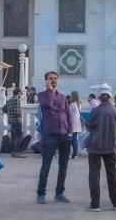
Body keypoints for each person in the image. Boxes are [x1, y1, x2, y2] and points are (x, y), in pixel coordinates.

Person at [35, 70, 72, 204]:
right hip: (49, 135)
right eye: (50, 78)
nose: (53, 80)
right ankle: (41, 193)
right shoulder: (42, 96)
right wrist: (50, 90)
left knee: (63, 166)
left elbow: (68, 115)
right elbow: (48, 105)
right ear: (46, 81)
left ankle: (59, 193)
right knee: (46, 165)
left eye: (55, 78)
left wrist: (70, 131)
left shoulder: (63, 97)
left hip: (64, 135)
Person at [84, 92, 116, 212]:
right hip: (110, 146)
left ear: (99, 99)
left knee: (94, 174)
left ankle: (95, 204)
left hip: (95, 146)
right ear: (110, 99)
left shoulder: (96, 110)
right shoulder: (114, 110)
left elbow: (89, 126)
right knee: (112, 174)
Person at [3, 87, 25, 158]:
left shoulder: (9, 100)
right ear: (18, 93)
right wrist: (19, 119)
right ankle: (17, 152)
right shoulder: (16, 100)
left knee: (13, 136)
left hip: (11, 121)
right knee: (18, 136)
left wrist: (9, 113)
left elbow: (4, 109)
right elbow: (17, 111)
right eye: (20, 93)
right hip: (16, 120)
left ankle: (13, 152)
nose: (20, 95)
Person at [69, 91, 83, 159]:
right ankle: (75, 154)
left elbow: (69, 114)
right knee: (74, 139)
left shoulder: (72, 104)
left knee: (72, 139)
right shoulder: (79, 104)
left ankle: (73, 154)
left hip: (73, 123)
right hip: (77, 123)